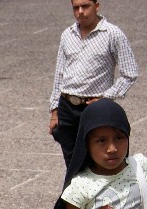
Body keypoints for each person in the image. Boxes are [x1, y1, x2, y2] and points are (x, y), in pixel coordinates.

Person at [49, 0, 138, 166]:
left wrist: (106, 97)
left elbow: (130, 73)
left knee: (97, 161)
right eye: (76, 7)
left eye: (85, 6)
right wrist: (54, 110)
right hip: (67, 106)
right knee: (72, 163)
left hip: (94, 107)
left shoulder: (112, 34)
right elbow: (59, 74)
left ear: (96, 6)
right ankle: (73, 191)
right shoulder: (67, 34)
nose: (80, 12)